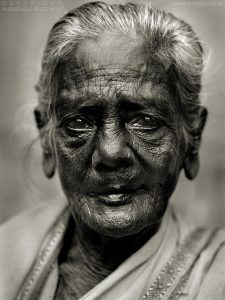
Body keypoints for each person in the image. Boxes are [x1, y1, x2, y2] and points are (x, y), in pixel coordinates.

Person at [1, 2, 225, 300]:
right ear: (46, 140)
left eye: (145, 121)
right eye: (79, 122)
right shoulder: (7, 254)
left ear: (192, 137)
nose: (110, 152)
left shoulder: (216, 280)